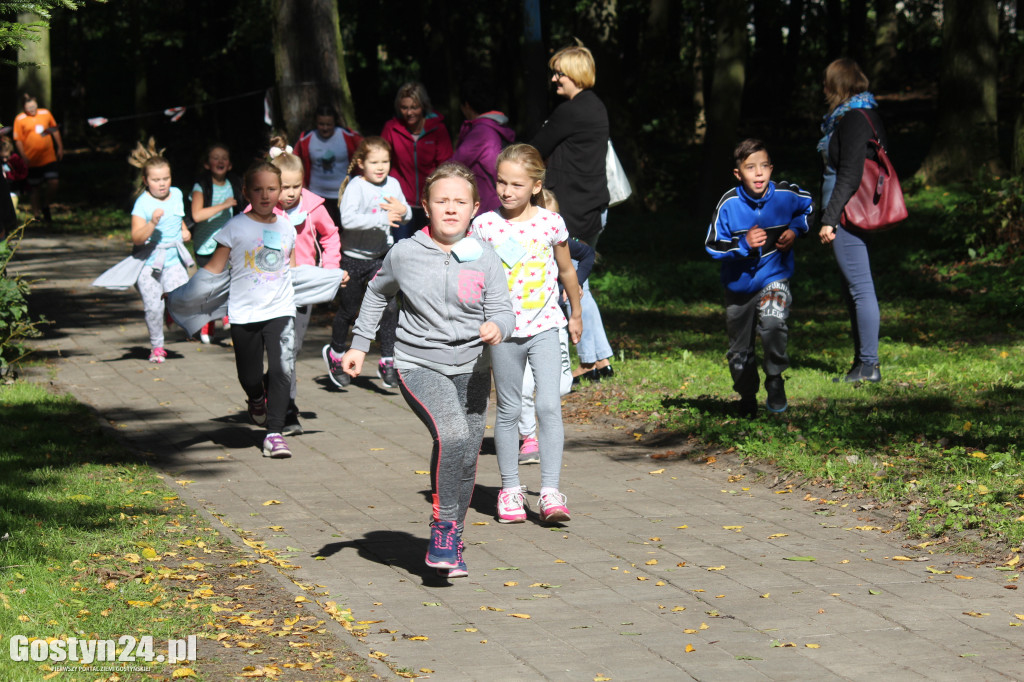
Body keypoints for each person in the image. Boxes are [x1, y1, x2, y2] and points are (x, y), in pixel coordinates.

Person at [339, 161, 513, 578]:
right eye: (442, 201)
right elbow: (377, 294)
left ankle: (453, 538)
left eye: (460, 202)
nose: (450, 209)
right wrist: (359, 346)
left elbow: (504, 309)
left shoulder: (485, 257)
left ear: (474, 209)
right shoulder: (405, 253)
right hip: (420, 364)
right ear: (425, 205)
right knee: (451, 433)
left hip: (472, 367)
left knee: (466, 453)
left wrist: (497, 327)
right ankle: (442, 527)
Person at [471, 143, 582, 524]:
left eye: (516, 184)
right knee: (508, 409)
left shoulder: (551, 224)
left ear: (535, 186)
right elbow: (471, 278)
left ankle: (550, 492)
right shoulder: (485, 225)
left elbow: (567, 271)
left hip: (546, 327)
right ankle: (510, 490)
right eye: (501, 182)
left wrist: (576, 311)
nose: (506, 191)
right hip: (503, 333)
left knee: (549, 406)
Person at [705, 138, 813, 417]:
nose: (759, 173)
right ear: (738, 174)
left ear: (771, 168)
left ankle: (775, 378)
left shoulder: (786, 195)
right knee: (739, 352)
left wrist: (795, 230)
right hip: (738, 287)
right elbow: (712, 245)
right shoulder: (728, 204)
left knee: (774, 322)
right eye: (751, 167)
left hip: (774, 276)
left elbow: (808, 207)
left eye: (764, 166)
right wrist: (743, 245)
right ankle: (747, 396)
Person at [202, 161, 298, 459]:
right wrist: (186, 299)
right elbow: (213, 270)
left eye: (271, 189)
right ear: (245, 192)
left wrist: (331, 280)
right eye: (258, 189)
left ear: (281, 191)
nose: (265, 195)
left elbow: (291, 270)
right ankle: (256, 398)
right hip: (244, 313)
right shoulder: (235, 227)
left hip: (281, 309)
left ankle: (274, 433)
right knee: (250, 374)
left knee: (283, 369)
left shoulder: (287, 227)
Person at [530, 44, 615, 381]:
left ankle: (594, 359)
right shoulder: (596, 107)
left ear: (575, 74)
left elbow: (536, 148)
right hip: (592, 207)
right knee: (579, 282)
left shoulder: (572, 110)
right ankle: (599, 359)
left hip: (574, 211)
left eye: (559, 73)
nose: (554, 79)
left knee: (571, 281)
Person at [817, 58, 887, 384]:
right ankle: (861, 364)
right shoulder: (864, 113)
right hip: (852, 209)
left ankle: (869, 366)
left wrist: (830, 218)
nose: (824, 88)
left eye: (828, 82)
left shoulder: (852, 119)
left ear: (837, 85)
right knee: (853, 289)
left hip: (848, 211)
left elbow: (850, 173)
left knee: (860, 288)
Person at [268, 135, 343, 435]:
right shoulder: (264, 210)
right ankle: (287, 408)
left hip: (305, 286)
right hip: (272, 286)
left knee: (292, 347)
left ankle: (282, 396)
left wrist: (330, 269)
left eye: (296, 186)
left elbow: (331, 234)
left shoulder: (313, 208)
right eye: (282, 187)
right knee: (281, 347)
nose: (289, 194)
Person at [322, 136, 409, 390]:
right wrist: (383, 219)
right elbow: (347, 220)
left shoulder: (392, 184)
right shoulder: (355, 187)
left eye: (385, 161)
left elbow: (406, 214)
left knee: (390, 308)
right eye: (374, 162)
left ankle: (388, 361)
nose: (381, 167)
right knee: (349, 311)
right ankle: (336, 355)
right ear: (361, 163)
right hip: (353, 259)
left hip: (381, 258)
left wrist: (403, 212)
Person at [127, 139, 193, 364]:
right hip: (149, 263)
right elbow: (136, 237)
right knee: (153, 308)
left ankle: (169, 311)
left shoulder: (176, 194)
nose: (162, 184)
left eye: (166, 178)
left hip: (174, 259)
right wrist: (152, 223)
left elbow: (178, 217)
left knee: (181, 300)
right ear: (146, 181)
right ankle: (157, 347)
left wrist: (185, 231)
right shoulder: (142, 204)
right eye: (156, 180)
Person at [381, 82, 453, 240]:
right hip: (401, 201)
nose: (409, 112)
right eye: (404, 107)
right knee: (401, 248)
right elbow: (381, 158)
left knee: (430, 248)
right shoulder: (391, 128)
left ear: (423, 106)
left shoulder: (438, 129)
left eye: (414, 107)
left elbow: (446, 166)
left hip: (431, 201)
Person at [190, 142, 243, 344]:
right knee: (210, 288)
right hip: (205, 246)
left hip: (229, 245)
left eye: (224, 158)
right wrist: (223, 205)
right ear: (207, 164)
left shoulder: (235, 184)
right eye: (215, 157)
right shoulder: (201, 186)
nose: (220, 161)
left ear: (229, 164)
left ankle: (226, 315)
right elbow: (196, 214)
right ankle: (208, 325)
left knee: (228, 282)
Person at [451, 74, 514, 214]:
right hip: (499, 204)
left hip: (487, 209)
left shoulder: (482, 132)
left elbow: (452, 167)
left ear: (466, 105)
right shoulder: (496, 127)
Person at [294, 104, 362, 229]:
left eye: (329, 124)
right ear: (315, 122)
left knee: (345, 231)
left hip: (345, 195)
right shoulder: (306, 138)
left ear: (335, 122)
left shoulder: (348, 136)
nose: (325, 128)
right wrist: (302, 186)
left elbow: (366, 152)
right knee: (322, 231)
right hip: (317, 195)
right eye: (321, 124)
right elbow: (295, 162)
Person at [12, 94, 63, 224]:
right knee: (34, 187)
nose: (32, 109)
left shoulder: (45, 113)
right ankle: (36, 214)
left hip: (48, 157)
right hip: (31, 159)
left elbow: (54, 129)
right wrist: (23, 156)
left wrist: (60, 147)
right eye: (29, 107)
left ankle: (45, 205)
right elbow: (17, 140)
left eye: (34, 105)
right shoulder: (20, 119)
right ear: (24, 107)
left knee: (53, 182)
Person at [1, 135, 28, 211]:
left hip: (13, 188)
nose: (4, 159)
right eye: (2, 157)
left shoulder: (16, 159)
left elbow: (23, 173)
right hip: (3, 188)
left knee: (11, 207)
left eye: (6, 157)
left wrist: (12, 177)